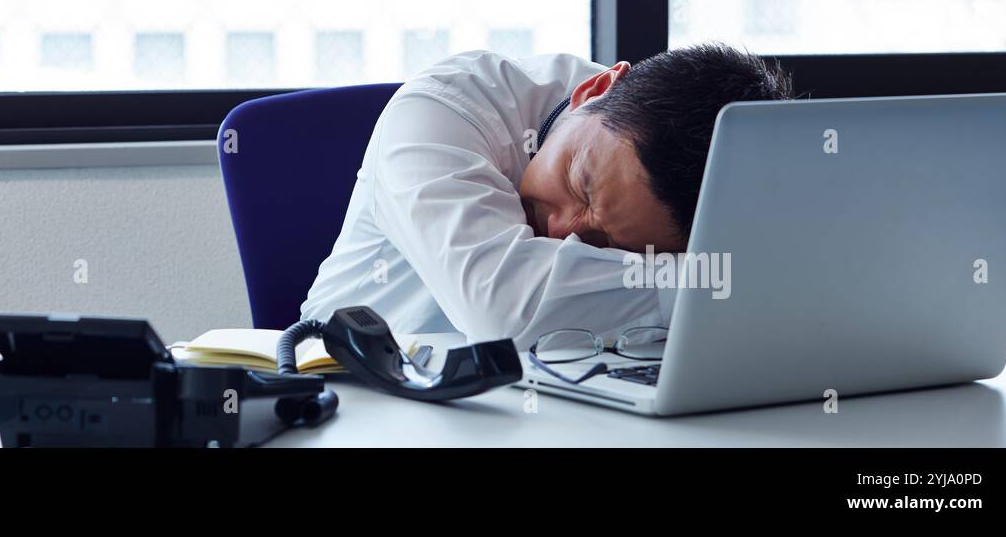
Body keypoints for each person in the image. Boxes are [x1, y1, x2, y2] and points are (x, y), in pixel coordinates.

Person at [301, 44, 794, 347]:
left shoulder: (639, 151)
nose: (562, 233)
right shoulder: (441, 107)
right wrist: (729, 281)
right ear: (594, 89)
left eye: (606, 244)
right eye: (580, 183)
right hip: (349, 393)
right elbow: (503, 311)